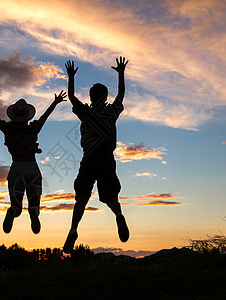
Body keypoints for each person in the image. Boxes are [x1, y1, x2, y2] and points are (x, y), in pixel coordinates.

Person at [0, 91, 66, 234]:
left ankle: (12, 211)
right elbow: (45, 116)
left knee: (16, 207)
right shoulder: (33, 129)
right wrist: (55, 102)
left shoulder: (7, 129)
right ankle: (33, 213)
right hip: (32, 169)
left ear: (13, 115)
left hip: (16, 169)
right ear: (27, 116)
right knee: (34, 204)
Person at [63, 57, 129, 254]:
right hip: (106, 159)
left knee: (81, 198)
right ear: (105, 96)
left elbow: (72, 97)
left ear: (92, 97)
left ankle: (73, 229)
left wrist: (71, 77)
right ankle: (119, 215)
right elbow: (121, 95)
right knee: (110, 196)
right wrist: (121, 74)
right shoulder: (111, 113)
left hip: (89, 158)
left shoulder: (86, 113)